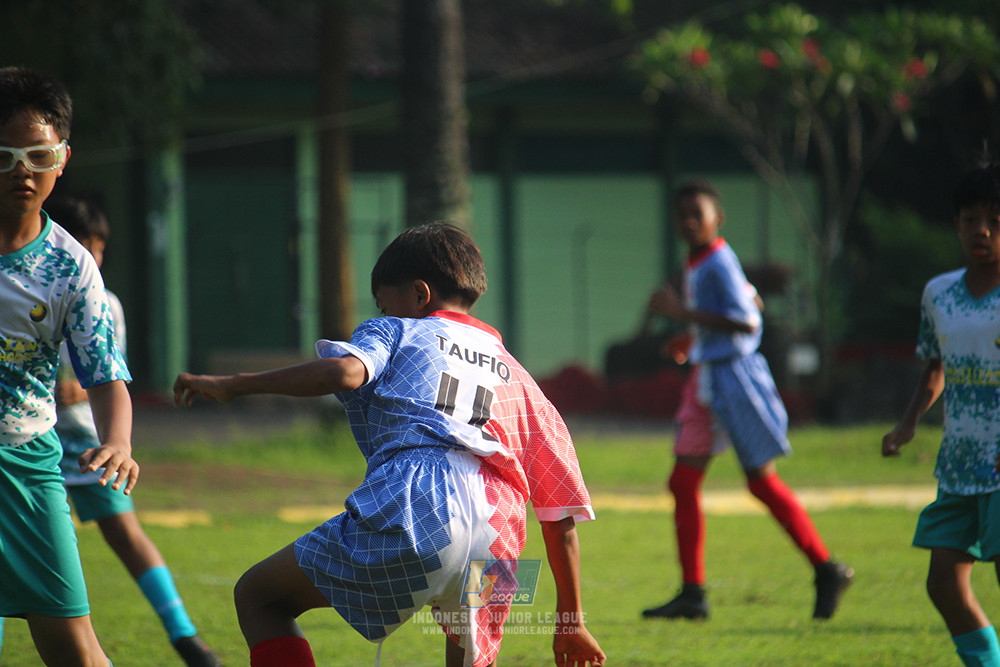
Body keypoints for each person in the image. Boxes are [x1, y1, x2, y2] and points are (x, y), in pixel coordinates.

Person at [173, 223, 605, 667]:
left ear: (419, 295)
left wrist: (234, 385)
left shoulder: (398, 330)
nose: (383, 311)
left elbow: (343, 373)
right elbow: (560, 516)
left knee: (259, 596)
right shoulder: (522, 381)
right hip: (501, 531)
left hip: (422, 501)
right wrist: (572, 622)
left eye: (385, 302)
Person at [641, 179, 853, 622]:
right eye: (682, 216)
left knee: (760, 481)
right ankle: (693, 594)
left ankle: (826, 568)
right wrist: (691, 336)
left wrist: (681, 315)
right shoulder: (699, 259)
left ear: (718, 218)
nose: (687, 223)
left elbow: (746, 321)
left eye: (696, 214)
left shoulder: (718, 261)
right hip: (707, 377)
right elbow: (730, 314)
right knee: (682, 483)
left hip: (735, 379)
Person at [41, 195, 218, 666]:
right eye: (83, 245)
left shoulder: (103, 300)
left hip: (87, 443)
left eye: (97, 247)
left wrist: (77, 393)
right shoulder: (28, 282)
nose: (90, 257)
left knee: (126, 534)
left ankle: (184, 636)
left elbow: (105, 369)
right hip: (32, 444)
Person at [0, 66, 138, 666]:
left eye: (38, 154)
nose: (22, 171)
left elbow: (107, 376)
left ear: (63, 158)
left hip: (30, 467)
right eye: (5, 155)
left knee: (76, 651)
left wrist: (119, 442)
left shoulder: (71, 267)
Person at [882, 162, 1000, 666]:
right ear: (956, 224)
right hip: (958, 462)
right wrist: (908, 422)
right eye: (971, 219)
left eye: (995, 218)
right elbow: (937, 364)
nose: (983, 230)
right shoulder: (941, 293)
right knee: (943, 583)